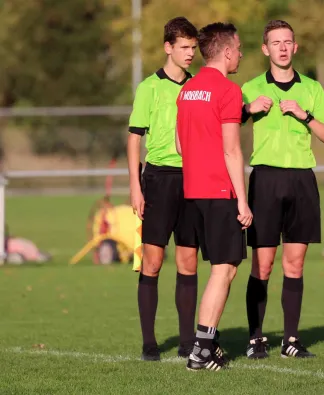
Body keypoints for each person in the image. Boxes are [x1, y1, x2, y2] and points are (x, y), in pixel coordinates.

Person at [241, 20, 324, 359]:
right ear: (265, 49)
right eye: (275, 42)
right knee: (262, 266)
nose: (282, 47)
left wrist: (304, 114)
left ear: (295, 47)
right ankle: (255, 340)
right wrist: (247, 110)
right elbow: (224, 124)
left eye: (288, 42)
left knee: (294, 265)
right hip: (265, 180)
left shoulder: (311, 88)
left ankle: (291, 341)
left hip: (301, 181)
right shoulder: (250, 87)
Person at [175, 22, 252, 372]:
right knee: (225, 268)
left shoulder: (186, 90)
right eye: (237, 48)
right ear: (224, 51)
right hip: (220, 190)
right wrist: (243, 200)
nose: (240, 54)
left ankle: (207, 345)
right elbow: (232, 151)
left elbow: (179, 145)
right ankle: (201, 351)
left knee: (219, 269)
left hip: (192, 192)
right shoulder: (228, 90)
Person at [126, 17, 199, 362]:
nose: (190, 54)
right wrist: (135, 186)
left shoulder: (198, 86)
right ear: (168, 47)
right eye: (184, 47)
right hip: (157, 179)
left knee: (188, 260)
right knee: (153, 261)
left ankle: (187, 342)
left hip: (193, 179)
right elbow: (134, 139)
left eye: (193, 48)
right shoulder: (148, 88)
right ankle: (149, 343)